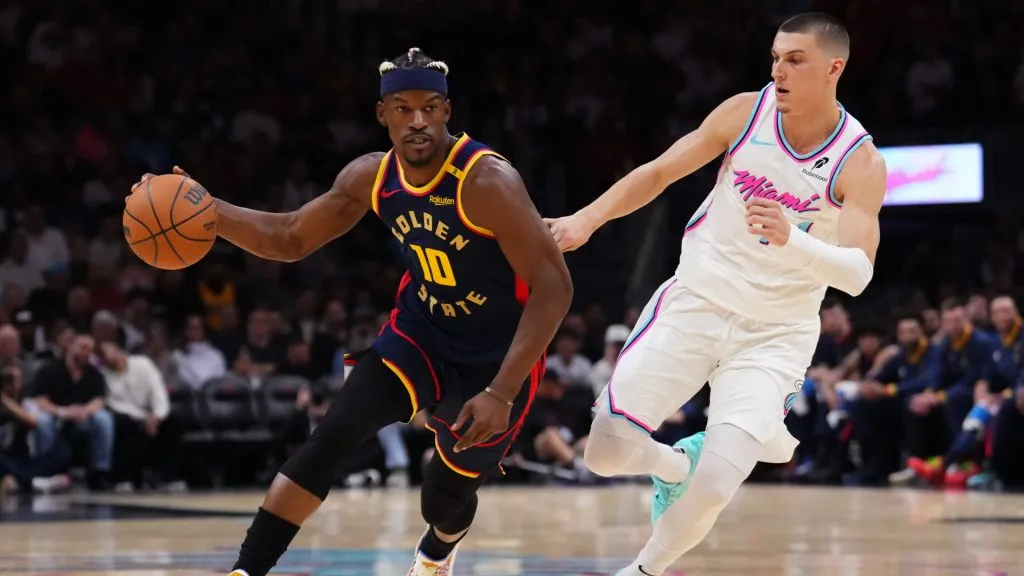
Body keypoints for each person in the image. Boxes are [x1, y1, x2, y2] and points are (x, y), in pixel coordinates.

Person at [132, 47, 571, 576]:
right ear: (382, 114)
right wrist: (202, 207)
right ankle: (245, 571)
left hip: (497, 354)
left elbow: (554, 287)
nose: (418, 121)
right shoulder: (372, 176)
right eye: (404, 108)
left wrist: (501, 391)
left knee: (445, 492)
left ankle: (439, 547)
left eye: (431, 108)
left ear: (447, 113)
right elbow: (291, 237)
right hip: (422, 329)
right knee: (334, 434)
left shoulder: (487, 182)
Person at [545, 13, 886, 576]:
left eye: (795, 60)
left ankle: (642, 570)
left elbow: (856, 274)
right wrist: (586, 220)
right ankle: (676, 465)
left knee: (717, 487)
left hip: (774, 335)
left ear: (834, 68)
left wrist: (791, 242)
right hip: (696, 302)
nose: (779, 70)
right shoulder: (743, 112)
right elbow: (658, 173)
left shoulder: (859, 161)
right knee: (603, 454)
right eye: (775, 57)